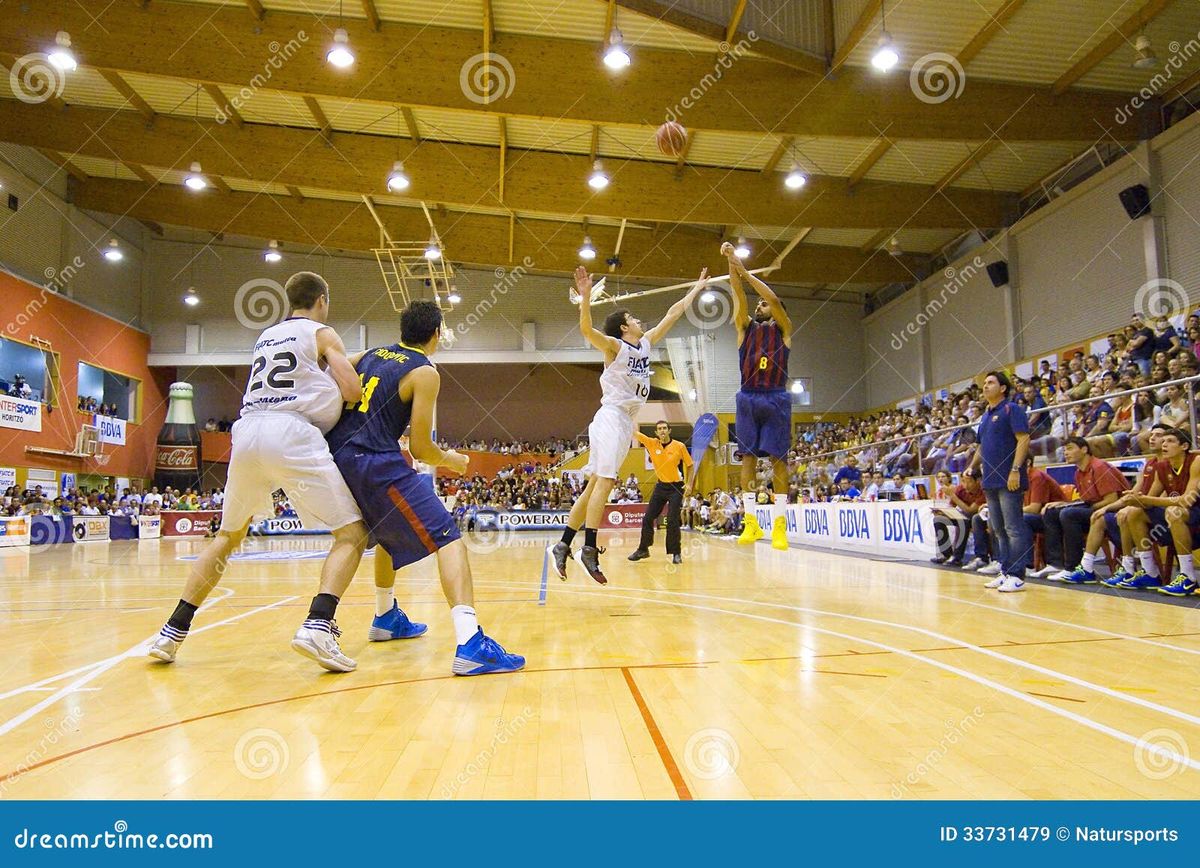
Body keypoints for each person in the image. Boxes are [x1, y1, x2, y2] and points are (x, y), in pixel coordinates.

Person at [149, 272, 370, 672]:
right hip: (291, 432)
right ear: (322, 299)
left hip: (248, 431)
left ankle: (171, 631)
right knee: (352, 533)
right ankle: (319, 625)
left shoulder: (267, 337)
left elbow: (302, 377)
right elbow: (352, 390)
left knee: (227, 537)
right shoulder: (323, 332)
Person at [326, 300, 523, 675]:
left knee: (384, 533)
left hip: (337, 458)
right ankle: (471, 643)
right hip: (373, 461)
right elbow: (420, 448)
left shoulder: (369, 354)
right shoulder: (424, 371)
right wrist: (452, 460)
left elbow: (329, 376)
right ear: (436, 333)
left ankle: (385, 617)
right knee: (449, 538)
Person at [551, 266, 708, 584]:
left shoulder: (646, 343)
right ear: (624, 327)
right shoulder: (614, 346)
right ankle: (589, 549)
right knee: (605, 482)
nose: (640, 321)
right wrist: (584, 298)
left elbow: (673, 313)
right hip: (610, 416)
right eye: (634, 319)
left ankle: (564, 543)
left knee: (596, 484)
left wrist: (696, 287)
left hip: (623, 423)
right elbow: (586, 331)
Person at [723, 242, 793, 551]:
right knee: (747, 460)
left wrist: (743, 267)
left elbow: (773, 298)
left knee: (779, 460)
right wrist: (730, 263)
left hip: (775, 396)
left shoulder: (785, 331)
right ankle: (751, 522)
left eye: (762, 305)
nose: (758, 306)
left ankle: (780, 525)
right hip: (749, 397)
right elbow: (737, 293)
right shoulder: (744, 328)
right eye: (758, 305)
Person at [964, 372, 1032, 592]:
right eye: (984, 383)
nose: (985, 386)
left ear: (1003, 388)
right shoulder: (985, 416)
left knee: (1013, 527)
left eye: (990, 382)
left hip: (1009, 478)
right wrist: (972, 466)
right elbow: (982, 447)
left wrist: (1015, 469)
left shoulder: (1012, 409)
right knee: (998, 529)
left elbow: (1023, 438)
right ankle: (1005, 570)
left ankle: (1017, 574)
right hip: (990, 480)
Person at [1028, 437, 1127, 580]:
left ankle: (1073, 567)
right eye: (1064, 450)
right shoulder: (1078, 473)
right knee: (1052, 512)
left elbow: (1111, 500)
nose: (1066, 453)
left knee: (1069, 514)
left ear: (1084, 449)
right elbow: (1086, 500)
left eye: (1069, 448)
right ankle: (1056, 564)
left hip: (1113, 511)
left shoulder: (1099, 467)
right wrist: (1064, 503)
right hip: (1095, 510)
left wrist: (1074, 507)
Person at [627, 421, 694, 564]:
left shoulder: (679, 446)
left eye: (664, 428)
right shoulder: (651, 443)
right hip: (661, 486)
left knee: (672, 520)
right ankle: (643, 550)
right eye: (659, 429)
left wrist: (689, 484)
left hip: (676, 487)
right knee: (647, 518)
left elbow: (690, 465)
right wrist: (624, 417)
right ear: (656, 433)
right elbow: (635, 433)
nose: (662, 431)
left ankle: (676, 552)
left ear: (669, 430)